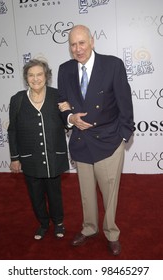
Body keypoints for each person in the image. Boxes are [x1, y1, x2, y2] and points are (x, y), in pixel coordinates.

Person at [58, 25, 135, 255]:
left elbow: (125, 103)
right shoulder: (65, 69)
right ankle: (89, 228)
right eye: (73, 44)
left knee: (110, 194)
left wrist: (123, 136)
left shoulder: (112, 65)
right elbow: (61, 102)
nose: (78, 49)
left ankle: (111, 232)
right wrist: (70, 118)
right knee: (85, 193)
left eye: (82, 43)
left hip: (109, 141)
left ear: (92, 41)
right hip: (81, 142)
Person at [8, 59, 69, 240]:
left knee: (54, 192)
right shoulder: (17, 99)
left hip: (53, 155)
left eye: (39, 74)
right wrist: (15, 157)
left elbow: (68, 124)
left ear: (46, 76)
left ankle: (58, 222)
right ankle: (43, 223)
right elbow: (13, 130)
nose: (35, 79)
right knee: (35, 194)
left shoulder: (58, 96)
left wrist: (69, 113)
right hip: (29, 157)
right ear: (26, 78)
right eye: (31, 75)